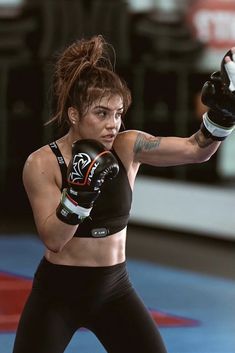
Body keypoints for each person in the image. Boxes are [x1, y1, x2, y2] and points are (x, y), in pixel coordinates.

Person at [12, 36, 235, 353]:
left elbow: (196, 149)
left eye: (118, 114)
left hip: (113, 288)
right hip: (58, 292)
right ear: (74, 115)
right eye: (101, 114)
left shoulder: (128, 147)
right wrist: (79, 195)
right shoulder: (43, 163)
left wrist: (222, 117)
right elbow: (54, 239)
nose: (112, 125)